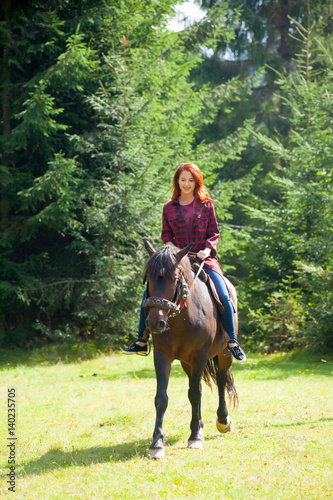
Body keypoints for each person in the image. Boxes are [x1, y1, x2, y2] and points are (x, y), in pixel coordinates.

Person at [123, 162, 246, 361]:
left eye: (191, 180)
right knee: (149, 293)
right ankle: (142, 339)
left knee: (223, 294)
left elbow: (214, 232)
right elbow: (166, 234)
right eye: (183, 180)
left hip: (205, 260)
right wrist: (175, 252)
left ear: (197, 182)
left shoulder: (206, 206)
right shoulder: (168, 208)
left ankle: (231, 341)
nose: (187, 184)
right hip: (177, 261)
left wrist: (207, 249)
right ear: (177, 182)